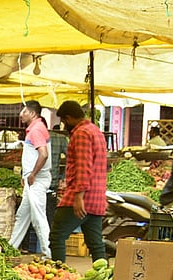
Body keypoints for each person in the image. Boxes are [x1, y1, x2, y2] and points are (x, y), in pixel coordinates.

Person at [49, 100, 108, 264]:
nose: (63, 125)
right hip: (97, 198)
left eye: (63, 122)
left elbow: (84, 166)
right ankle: (104, 278)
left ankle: (59, 274)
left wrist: (78, 196)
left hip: (82, 197)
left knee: (57, 235)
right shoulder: (96, 131)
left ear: (68, 118)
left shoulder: (81, 134)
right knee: (96, 244)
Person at [8, 101, 52, 258]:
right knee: (22, 216)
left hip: (36, 180)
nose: (21, 114)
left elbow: (43, 154)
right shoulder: (35, 128)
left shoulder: (36, 130)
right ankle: (10, 249)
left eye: (24, 111)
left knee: (38, 218)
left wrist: (32, 174)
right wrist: (26, 176)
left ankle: (48, 254)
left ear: (33, 114)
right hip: (32, 180)